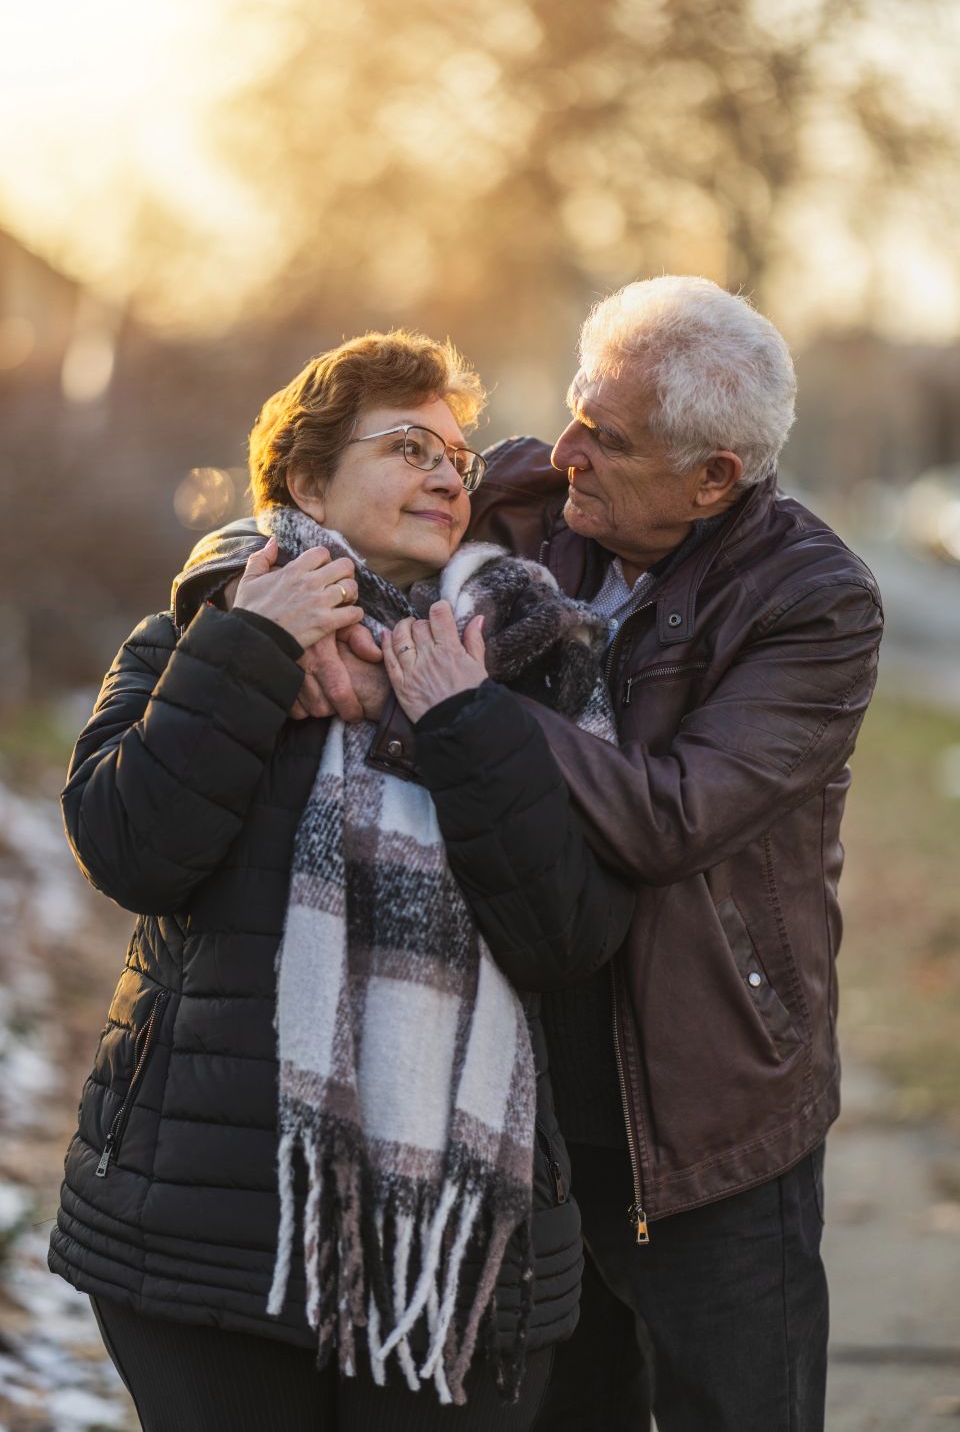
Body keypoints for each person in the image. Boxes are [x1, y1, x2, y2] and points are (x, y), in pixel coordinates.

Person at [252, 277, 884, 1431]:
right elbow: (316, 508)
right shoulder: (535, 494)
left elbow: (671, 814)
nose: (568, 449)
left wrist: (453, 703)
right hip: (519, 1086)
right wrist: (268, 612)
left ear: (713, 480)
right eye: (580, 408)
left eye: (613, 437)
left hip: (707, 1112)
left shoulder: (816, 601)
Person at [48, 331, 634, 1432]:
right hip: (215, 1214)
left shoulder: (537, 661)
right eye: (408, 445)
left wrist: (459, 720)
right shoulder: (202, 624)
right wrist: (248, 653)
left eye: (456, 458)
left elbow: (571, 934)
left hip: (452, 1250)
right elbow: (128, 847)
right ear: (306, 476)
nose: (445, 475)